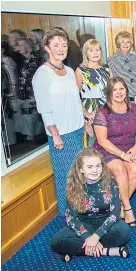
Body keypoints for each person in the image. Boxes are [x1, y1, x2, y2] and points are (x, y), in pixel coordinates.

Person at [32, 28, 85, 216]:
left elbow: (76, 100)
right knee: (66, 176)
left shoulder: (70, 71)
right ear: (47, 48)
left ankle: (81, 209)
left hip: (78, 129)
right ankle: (68, 214)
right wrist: (55, 135)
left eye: (63, 45)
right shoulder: (42, 74)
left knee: (81, 173)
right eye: (56, 45)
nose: (61, 49)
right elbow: (44, 109)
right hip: (60, 134)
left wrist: (85, 121)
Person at [50, 148, 131, 262]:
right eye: (90, 167)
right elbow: (71, 217)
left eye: (98, 166)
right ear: (81, 169)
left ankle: (77, 250)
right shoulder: (73, 186)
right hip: (84, 223)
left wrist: (96, 236)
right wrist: (88, 237)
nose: (95, 170)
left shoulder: (111, 182)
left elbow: (115, 214)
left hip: (106, 223)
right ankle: (108, 251)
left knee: (124, 232)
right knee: (56, 241)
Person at [92, 77, 136, 227]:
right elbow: (102, 140)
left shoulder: (135, 108)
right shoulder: (103, 112)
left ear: (126, 90)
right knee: (120, 169)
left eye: (121, 88)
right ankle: (128, 209)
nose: (119, 92)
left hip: (129, 148)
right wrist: (122, 155)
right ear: (109, 92)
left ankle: (118, 206)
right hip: (106, 150)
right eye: (115, 89)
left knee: (135, 169)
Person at [75, 39, 111, 135]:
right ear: (86, 53)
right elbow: (75, 97)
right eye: (91, 50)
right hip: (90, 111)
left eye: (97, 50)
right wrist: (86, 113)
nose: (95, 53)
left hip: (107, 110)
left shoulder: (107, 68)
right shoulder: (80, 70)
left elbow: (113, 91)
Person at [107, 31, 136, 98]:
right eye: (123, 42)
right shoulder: (111, 60)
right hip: (122, 96)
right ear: (118, 43)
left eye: (128, 42)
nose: (125, 44)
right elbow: (111, 81)